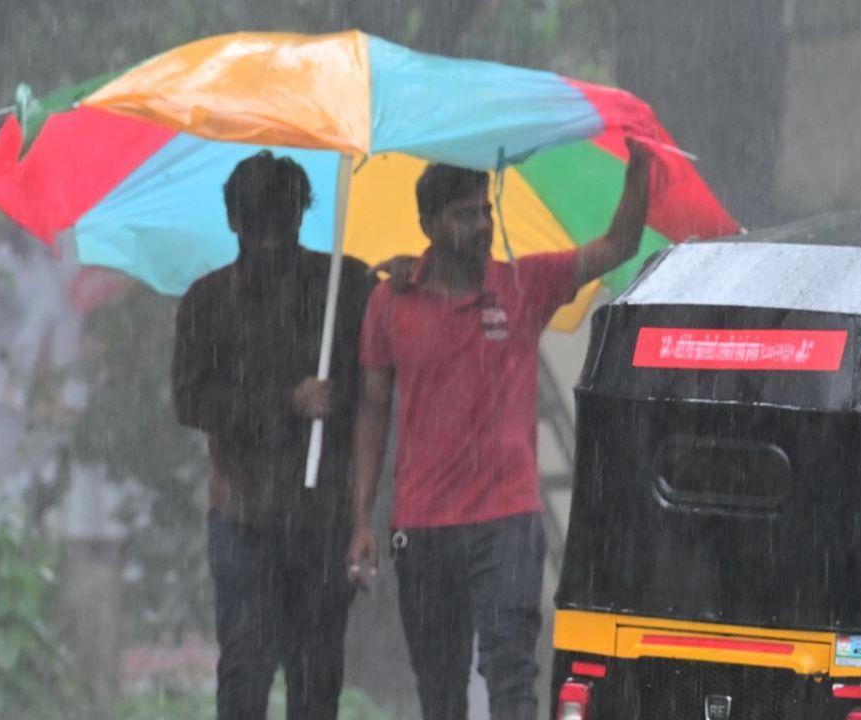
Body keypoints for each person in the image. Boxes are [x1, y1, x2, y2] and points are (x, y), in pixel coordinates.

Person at [347, 139, 655, 720]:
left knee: (512, 678)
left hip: (508, 523)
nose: (483, 225)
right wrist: (361, 520)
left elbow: (621, 243)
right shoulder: (390, 302)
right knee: (439, 692)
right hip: (423, 526)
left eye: (486, 210)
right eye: (466, 215)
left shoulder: (523, 285)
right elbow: (370, 410)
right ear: (429, 224)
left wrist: (639, 166)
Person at [172, 150, 373, 720]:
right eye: (257, 224)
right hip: (244, 518)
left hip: (321, 519)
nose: (269, 240)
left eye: (282, 223)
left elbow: (377, 378)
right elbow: (191, 400)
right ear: (235, 221)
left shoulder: (347, 285)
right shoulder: (206, 302)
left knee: (316, 676)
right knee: (245, 668)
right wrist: (286, 403)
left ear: (302, 217)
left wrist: (404, 276)